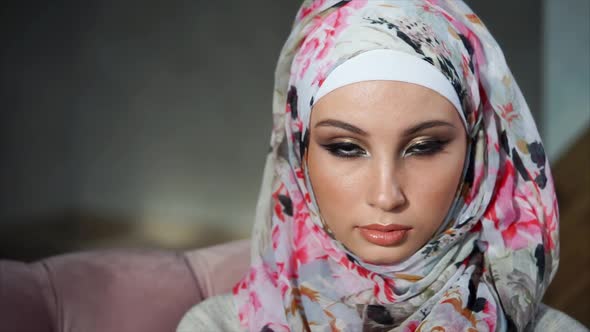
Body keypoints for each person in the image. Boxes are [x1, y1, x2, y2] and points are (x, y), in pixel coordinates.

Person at [177, 0, 587, 331]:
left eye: (424, 146)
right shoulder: (218, 326)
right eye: (346, 147)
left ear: (476, 156)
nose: (386, 195)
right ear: (299, 159)